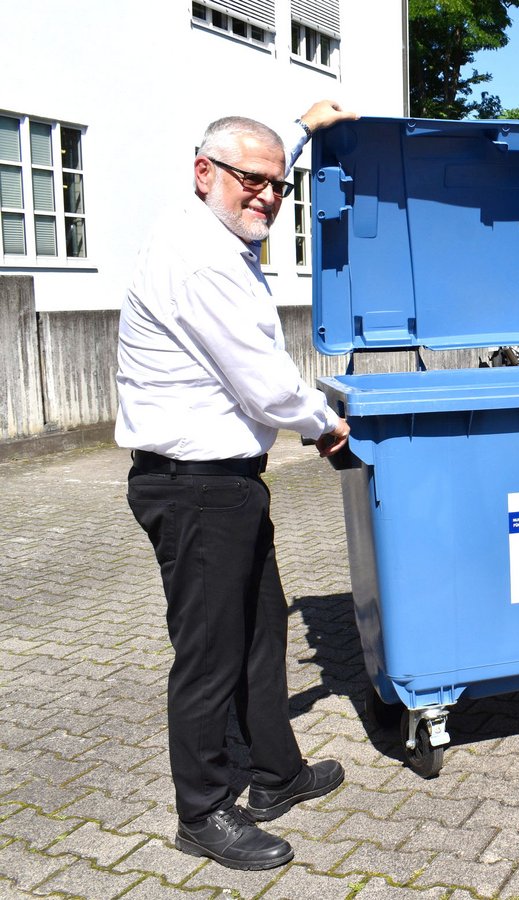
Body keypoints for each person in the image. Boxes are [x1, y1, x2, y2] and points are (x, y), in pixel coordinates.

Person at [117, 101, 358, 869]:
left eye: (278, 184)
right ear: (202, 174)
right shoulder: (201, 257)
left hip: (227, 484)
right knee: (211, 653)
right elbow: (265, 386)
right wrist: (325, 425)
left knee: (261, 634)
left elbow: (254, 166)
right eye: (250, 180)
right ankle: (203, 811)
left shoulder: (215, 223)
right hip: (194, 488)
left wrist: (304, 126)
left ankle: (275, 774)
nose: (268, 194)